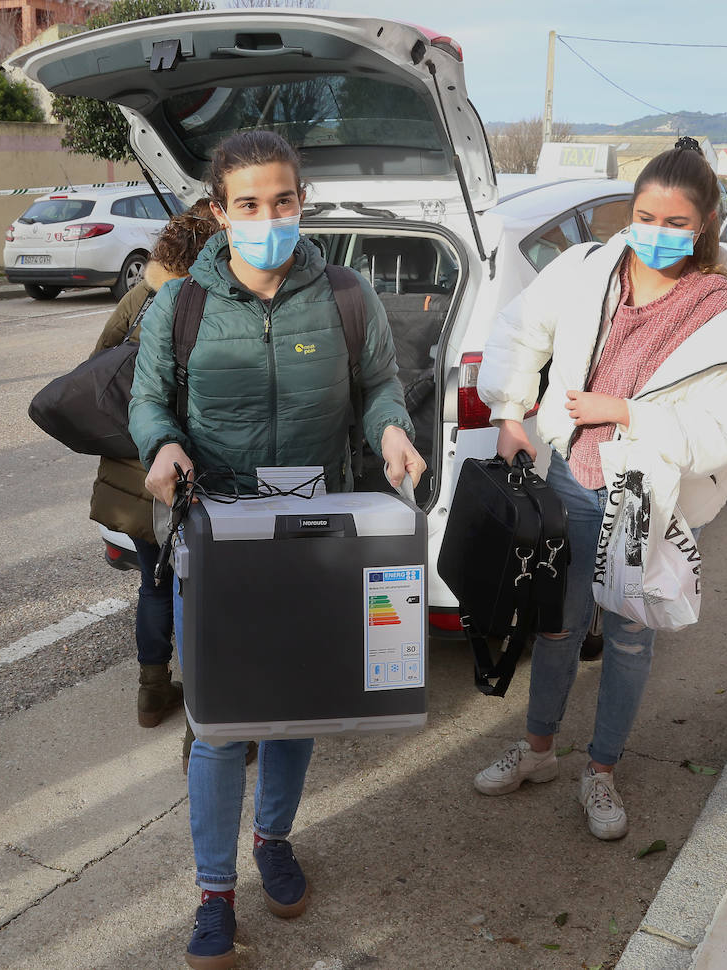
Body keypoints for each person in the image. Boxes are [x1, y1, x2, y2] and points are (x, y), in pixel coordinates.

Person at [129, 131, 425, 970]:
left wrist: (393, 432)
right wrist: (161, 447)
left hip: (311, 536)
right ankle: (214, 896)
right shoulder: (180, 304)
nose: (268, 218)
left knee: (297, 705)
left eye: (283, 201)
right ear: (218, 212)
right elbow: (150, 401)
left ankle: (274, 841)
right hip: (216, 536)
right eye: (248, 205)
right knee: (222, 725)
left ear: (303, 200)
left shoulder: (345, 294)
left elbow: (377, 390)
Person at [473, 136, 727, 841]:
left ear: (706, 224)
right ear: (628, 212)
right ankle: (541, 750)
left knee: (632, 639)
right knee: (558, 626)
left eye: (676, 223)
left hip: (657, 500)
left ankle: (602, 771)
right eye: (645, 215)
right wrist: (509, 413)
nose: (657, 233)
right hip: (575, 481)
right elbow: (522, 330)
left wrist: (628, 412)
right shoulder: (588, 269)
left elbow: (723, 434)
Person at [88, 201, 218, 734]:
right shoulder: (214, 302)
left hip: (134, 467)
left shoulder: (140, 297)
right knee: (209, 594)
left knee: (154, 583)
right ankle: (203, 722)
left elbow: (97, 365)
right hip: (196, 468)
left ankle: (151, 693)